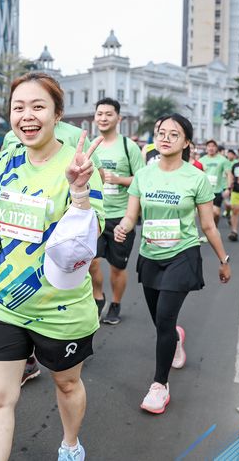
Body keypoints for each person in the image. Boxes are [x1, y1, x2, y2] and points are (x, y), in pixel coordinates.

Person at [0, 71, 104, 461]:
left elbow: (91, 236)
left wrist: (79, 191)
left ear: (57, 114)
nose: (27, 116)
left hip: (61, 306)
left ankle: (70, 444)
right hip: (4, 301)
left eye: (38, 106)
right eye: (18, 107)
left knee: (67, 385)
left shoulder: (81, 163)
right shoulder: (6, 160)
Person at [114, 113, 231, 415]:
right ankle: (176, 339)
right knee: (160, 321)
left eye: (174, 134)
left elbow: (208, 225)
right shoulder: (143, 175)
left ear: (186, 142)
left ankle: (159, 385)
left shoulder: (196, 178)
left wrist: (223, 260)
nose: (165, 138)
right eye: (161, 132)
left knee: (164, 321)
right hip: (150, 254)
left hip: (182, 254)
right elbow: (131, 215)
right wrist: (123, 227)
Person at [90, 97, 144, 324]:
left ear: (118, 118)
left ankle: (115, 303)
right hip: (94, 215)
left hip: (121, 217)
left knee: (117, 267)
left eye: (108, 114)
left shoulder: (128, 146)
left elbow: (141, 180)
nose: (103, 118)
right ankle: (98, 297)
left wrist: (119, 179)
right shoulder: (90, 145)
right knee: (91, 262)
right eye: (99, 114)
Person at [198, 140, 231, 226]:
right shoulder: (201, 160)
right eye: (209, 146)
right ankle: (210, 230)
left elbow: (229, 174)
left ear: (216, 148)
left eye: (213, 146)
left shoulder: (223, 160)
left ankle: (214, 227)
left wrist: (228, 188)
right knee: (205, 214)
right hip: (204, 191)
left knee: (216, 213)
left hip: (217, 190)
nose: (211, 148)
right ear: (206, 148)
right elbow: (197, 175)